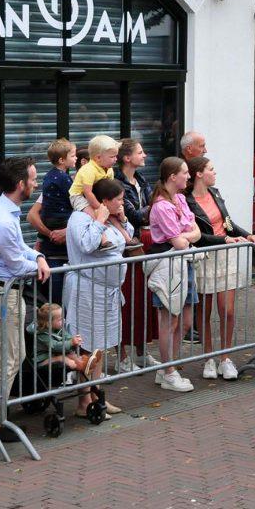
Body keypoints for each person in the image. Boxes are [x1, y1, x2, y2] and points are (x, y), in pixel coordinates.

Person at [0, 156, 51, 437]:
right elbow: (16, 263)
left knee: (14, 354)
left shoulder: (4, 209)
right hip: (3, 292)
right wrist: (41, 266)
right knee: (5, 358)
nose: (35, 183)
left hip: (9, 290)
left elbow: (22, 248)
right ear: (21, 184)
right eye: (33, 179)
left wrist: (40, 256)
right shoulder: (2, 219)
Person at [63, 177, 131, 414]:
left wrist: (120, 219)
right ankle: (85, 401)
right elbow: (87, 245)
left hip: (107, 292)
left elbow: (126, 240)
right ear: (104, 201)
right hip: (87, 291)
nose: (122, 204)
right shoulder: (79, 218)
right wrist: (101, 220)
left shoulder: (111, 218)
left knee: (101, 345)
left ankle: (98, 395)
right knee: (86, 346)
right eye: (119, 200)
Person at [185, 156, 255, 381]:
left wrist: (247, 235)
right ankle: (208, 357)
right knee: (204, 311)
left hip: (226, 255)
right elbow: (197, 235)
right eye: (211, 169)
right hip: (205, 255)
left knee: (228, 310)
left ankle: (225, 357)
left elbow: (228, 223)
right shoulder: (186, 200)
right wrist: (222, 241)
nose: (215, 173)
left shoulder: (215, 192)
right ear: (198, 174)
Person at [145, 157, 201, 393]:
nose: (189, 176)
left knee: (186, 322)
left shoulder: (179, 199)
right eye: (185, 172)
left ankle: (169, 366)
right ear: (172, 177)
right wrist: (187, 234)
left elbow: (196, 231)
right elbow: (180, 241)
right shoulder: (161, 206)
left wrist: (186, 234)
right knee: (171, 320)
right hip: (168, 266)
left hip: (184, 264)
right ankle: (169, 371)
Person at [114, 138, 157, 371]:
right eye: (140, 152)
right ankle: (121, 356)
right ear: (127, 157)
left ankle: (142, 351)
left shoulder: (141, 180)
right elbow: (136, 216)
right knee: (126, 301)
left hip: (144, 245)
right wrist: (156, 207)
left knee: (143, 300)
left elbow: (146, 209)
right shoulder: (116, 183)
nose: (145, 155)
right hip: (128, 247)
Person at [30, 303, 104, 417]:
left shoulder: (58, 329)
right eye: (60, 319)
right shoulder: (42, 334)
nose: (63, 321)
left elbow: (67, 337)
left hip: (55, 355)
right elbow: (54, 346)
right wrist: (70, 343)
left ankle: (85, 362)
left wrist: (74, 340)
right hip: (42, 359)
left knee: (70, 354)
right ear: (49, 323)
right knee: (66, 356)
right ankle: (84, 365)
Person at [27, 139, 77, 305]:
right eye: (73, 155)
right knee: (56, 300)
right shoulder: (65, 180)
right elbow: (74, 200)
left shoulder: (49, 177)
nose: (75, 158)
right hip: (55, 245)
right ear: (62, 160)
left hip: (56, 236)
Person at [69, 135, 119, 211]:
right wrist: (100, 208)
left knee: (112, 214)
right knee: (93, 214)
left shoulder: (109, 169)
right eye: (112, 157)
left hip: (95, 193)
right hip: (79, 195)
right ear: (98, 158)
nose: (116, 159)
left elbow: (109, 189)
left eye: (116, 156)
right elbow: (87, 193)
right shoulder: (89, 170)